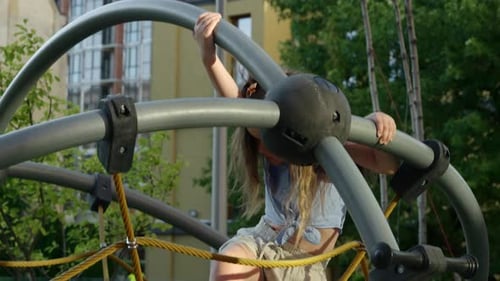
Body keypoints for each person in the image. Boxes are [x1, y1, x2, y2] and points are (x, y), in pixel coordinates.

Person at [194, 12, 400, 281]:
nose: (270, 152)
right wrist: (208, 57)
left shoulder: (325, 146)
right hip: (264, 239)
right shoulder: (261, 133)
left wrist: (378, 125)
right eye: (261, 141)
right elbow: (235, 103)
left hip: (304, 261)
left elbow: (385, 163)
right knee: (227, 266)